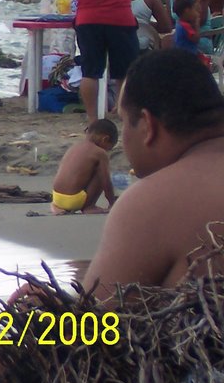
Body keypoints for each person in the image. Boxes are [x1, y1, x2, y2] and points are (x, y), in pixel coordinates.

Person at [81, 49, 224, 299]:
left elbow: (95, 327)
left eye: (124, 122)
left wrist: (34, 311)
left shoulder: (154, 203)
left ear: (148, 126)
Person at [50, 118, 118, 215]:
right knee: (101, 173)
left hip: (57, 198)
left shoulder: (74, 147)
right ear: (105, 139)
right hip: (74, 200)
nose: (107, 151)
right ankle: (89, 206)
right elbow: (106, 182)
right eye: (109, 148)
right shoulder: (99, 152)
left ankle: (57, 207)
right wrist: (112, 203)